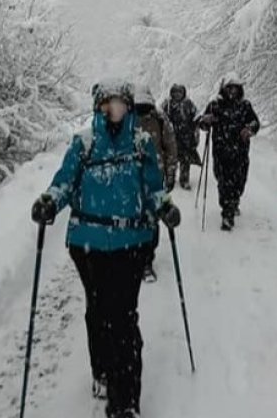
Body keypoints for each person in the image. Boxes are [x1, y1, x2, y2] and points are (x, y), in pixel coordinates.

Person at [30, 79, 181, 418]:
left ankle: (124, 401)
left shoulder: (142, 144)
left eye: (120, 103)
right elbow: (64, 183)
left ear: (129, 107)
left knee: (123, 319)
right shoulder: (82, 144)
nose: (114, 110)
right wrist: (49, 202)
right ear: (98, 107)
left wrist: (164, 207)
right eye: (107, 104)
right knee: (98, 312)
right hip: (88, 246)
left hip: (132, 244)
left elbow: (153, 189)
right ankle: (101, 368)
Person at [197, 73, 260, 231]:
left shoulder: (245, 106)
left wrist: (249, 129)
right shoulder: (215, 105)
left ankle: (234, 201)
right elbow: (201, 123)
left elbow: (255, 122)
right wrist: (206, 121)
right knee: (224, 181)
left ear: (240, 90)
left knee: (239, 181)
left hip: (240, 152)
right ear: (223, 89)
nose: (232, 92)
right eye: (229, 88)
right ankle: (227, 213)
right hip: (221, 151)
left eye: (235, 88)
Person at [135, 85, 178, 283]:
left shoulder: (160, 119)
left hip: (155, 180)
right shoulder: (125, 120)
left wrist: (170, 174)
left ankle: (146, 261)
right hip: (129, 181)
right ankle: (134, 256)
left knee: (152, 219)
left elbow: (171, 147)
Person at [161, 84, 201, 189]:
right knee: (171, 159)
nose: (177, 94)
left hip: (186, 137)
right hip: (171, 137)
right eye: (175, 92)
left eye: (179, 92)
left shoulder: (188, 104)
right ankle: (170, 179)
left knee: (185, 160)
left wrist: (198, 124)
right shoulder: (167, 104)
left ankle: (184, 180)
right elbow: (160, 116)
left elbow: (196, 116)